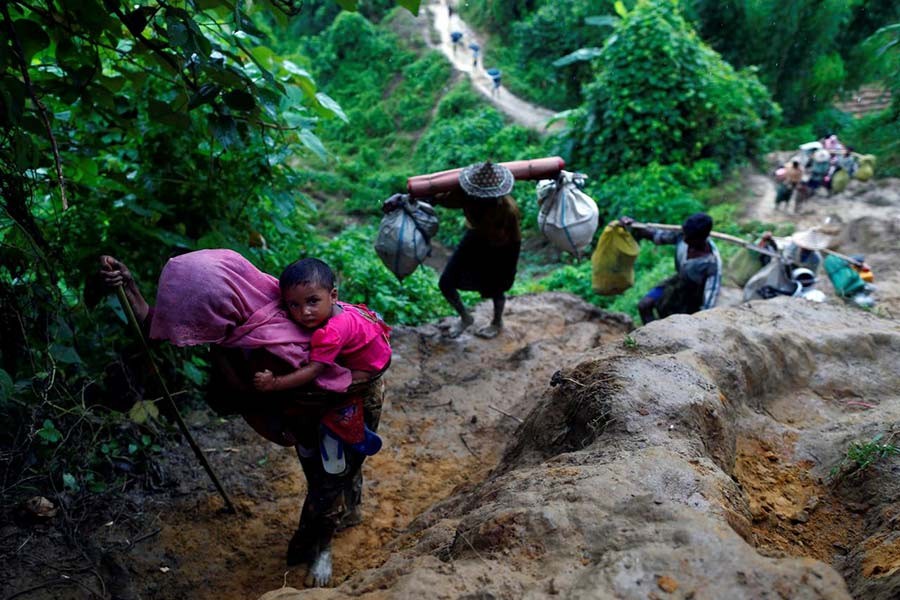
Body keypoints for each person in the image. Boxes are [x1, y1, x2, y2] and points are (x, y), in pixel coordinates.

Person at [98, 251, 385, 588]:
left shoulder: (288, 330)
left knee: (333, 476)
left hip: (346, 404)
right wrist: (130, 287)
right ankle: (338, 512)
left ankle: (321, 545)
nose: (199, 330)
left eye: (202, 319)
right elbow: (158, 326)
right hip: (302, 417)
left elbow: (347, 371)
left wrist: (277, 392)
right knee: (327, 475)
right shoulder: (236, 322)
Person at [253, 257, 391, 462]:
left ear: (333, 295)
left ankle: (343, 419)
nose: (304, 312)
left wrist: (275, 383)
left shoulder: (331, 333)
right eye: (294, 305)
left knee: (320, 384)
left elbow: (313, 370)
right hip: (377, 347)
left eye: (312, 301)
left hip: (366, 367)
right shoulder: (340, 309)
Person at [398, 162, 520, 339]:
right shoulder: (467, 195)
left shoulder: (506, 211)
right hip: (476, 236)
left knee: (496, 287)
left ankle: (497, 322)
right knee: (446, 282)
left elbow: (506, 239)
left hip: (503, 246)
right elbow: (447, 200)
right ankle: (465, 317)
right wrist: (425, 198)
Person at [620, 213, 722, 325]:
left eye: (690, 238)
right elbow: (655, 235)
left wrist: (700, 320)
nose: (685, 239)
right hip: (677, 281)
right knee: (644, 305)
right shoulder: (683, 235)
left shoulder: (712, 263)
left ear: (702, 238)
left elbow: (709, 302)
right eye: (684, 235)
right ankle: (652, 335)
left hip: (693, 296)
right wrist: (633, 225)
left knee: (675, 323)